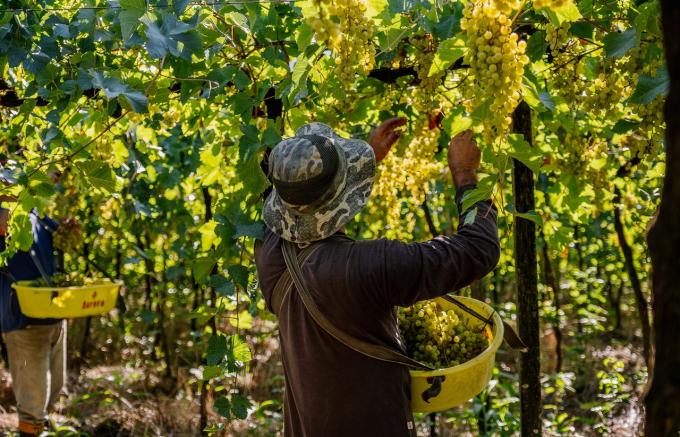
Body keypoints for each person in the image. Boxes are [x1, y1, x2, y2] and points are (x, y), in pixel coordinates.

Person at [254, 119, 500, 436]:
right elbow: (478, 249)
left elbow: (302, 192)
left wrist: (365, 158)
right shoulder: (369, 267)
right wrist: (466, 176)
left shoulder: (269, 249)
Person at [0, 206, 65, 437]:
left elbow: (53, 233)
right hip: (23, 318)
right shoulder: (9, 207)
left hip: (54, 314)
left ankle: (42, 430)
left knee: (52, 393)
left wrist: (65, 228)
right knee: (32, 404)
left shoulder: (34, 206)